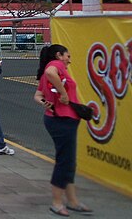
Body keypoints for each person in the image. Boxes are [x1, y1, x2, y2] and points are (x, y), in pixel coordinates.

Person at [33, 45, 92, 216]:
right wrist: (63, 93)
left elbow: (37, 96)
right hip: (62, 119)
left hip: (61, 119)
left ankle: (72, 200)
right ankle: (57, 202)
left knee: (68, 161)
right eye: (67, 56)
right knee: (64, 161)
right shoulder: (55, 66)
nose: (69, 60)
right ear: (59, 55)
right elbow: (51, 73)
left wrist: (45, 101)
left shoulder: (51, 71)